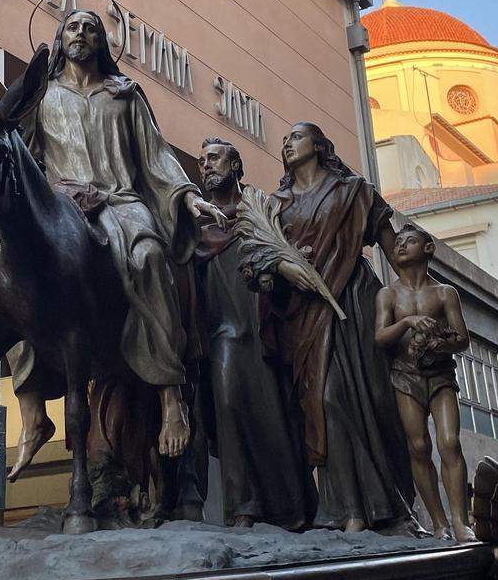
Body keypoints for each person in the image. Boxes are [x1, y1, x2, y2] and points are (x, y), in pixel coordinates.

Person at [0, 10, 227, 478]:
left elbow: (157, 156)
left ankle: (169, 395)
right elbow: (8, 127)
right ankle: (33, 409)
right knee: (18, 273)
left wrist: (187, 199)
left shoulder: (125, 95)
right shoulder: (46, 94)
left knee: (149, 256)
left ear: (102, 41)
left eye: (90, 27)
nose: (80, 33)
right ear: (61, 38)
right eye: (72, 27)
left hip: (121, 202)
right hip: (63, 204)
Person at [239, 122, 416, 532]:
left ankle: (392, 504)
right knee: (326, 398)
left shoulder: (353, 190)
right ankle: (345, 509)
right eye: (284, 140)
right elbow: (253, 261)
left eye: (296, 137)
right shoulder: (276, 204)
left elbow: (393, 248)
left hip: (354, 302)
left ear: (319, 146)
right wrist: (283, 265)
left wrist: (418, 295)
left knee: (373, 398)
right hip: (305, 314)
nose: (287, 143)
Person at [193, 136, 314, 529]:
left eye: (214, 158)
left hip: (264, 329)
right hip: (220, 332)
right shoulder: (197, 224)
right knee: (227, 405)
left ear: (236, 165)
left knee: (277, 418)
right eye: (202, 161)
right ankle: (242, 508)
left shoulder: (261, 210)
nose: (206, 165)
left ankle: (292, 509)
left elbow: (285, 257)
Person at [375, 222, 475, 541]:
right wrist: (407, 322)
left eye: (411, 241)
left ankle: (461, 521)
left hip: (441, 376)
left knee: (449, 442)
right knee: (418, 446)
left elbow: (462, 339)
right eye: (398, 242)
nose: (401, 245)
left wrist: (438, 344)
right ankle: (439, 522)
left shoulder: (445, 293)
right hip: (405, 377)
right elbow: (380, 337)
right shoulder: (388, 294)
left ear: (428, 249)